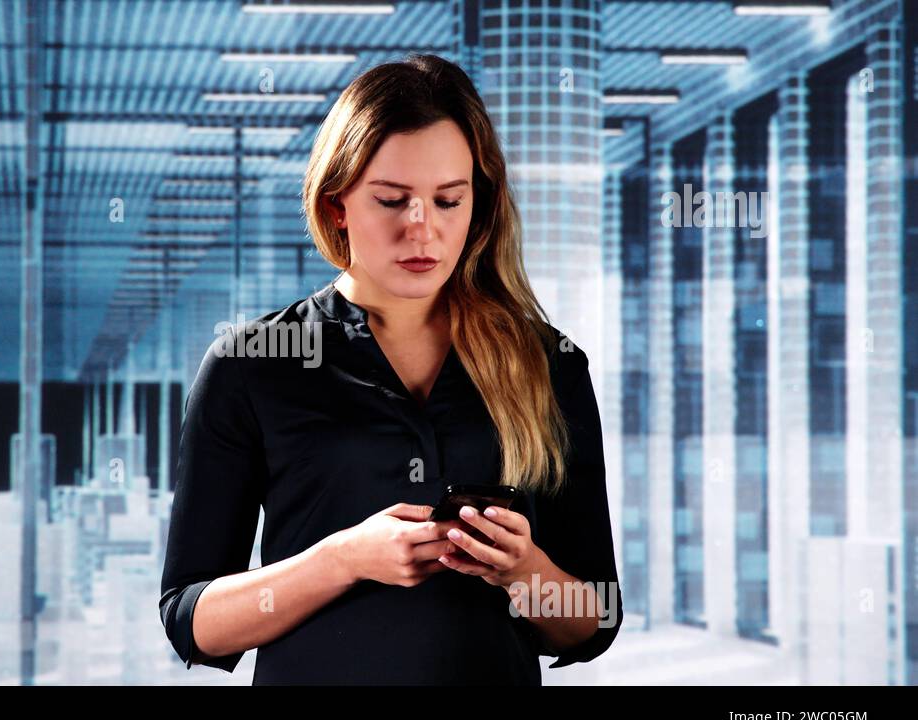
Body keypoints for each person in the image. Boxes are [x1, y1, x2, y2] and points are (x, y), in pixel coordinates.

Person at [159, 53, 622, 685]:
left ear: (478, 208)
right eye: (392, 200)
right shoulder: (252, 366)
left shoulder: (549, 366)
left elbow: (595, 619)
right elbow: (190, 620)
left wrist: (523, 569)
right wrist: (342, 560)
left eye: (448, 200)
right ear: (337, 205)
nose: (421, 229)